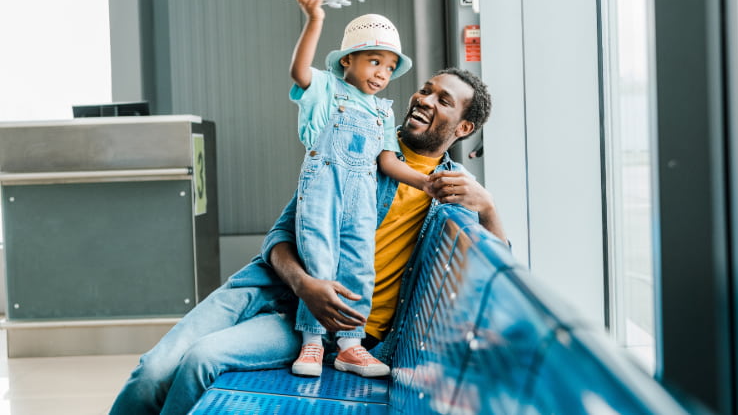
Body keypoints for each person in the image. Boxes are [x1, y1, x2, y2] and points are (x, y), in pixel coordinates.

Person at [108, 67, 505, 415]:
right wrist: (304, 284)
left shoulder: (452, 193)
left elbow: (498, 275)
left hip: (330, 329)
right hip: (273, 286)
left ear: (464, 128)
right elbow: (280, 235)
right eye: (426, 89)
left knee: (201, 359)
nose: (423, 99)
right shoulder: (355, 141)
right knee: (153, 370)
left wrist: (488, 208)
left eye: (443, 100)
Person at [287, 0, 430, 379]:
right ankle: (313, 342)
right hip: (322, 189)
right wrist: (315, 20)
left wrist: (425, 182)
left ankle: (350, 345)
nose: (382, 73)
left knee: (358, 265)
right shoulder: (325, 90)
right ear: (347, 60)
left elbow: (386, 161)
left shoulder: (383, 111)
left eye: (389, 66)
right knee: (319, 259)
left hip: (363, 197)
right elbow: (299, 72)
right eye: (373, 61)